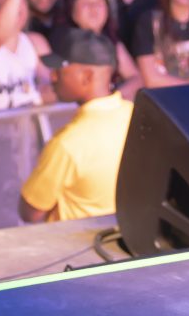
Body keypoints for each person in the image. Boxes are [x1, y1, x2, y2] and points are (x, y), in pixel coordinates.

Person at [16, 34, 130, 223]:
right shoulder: (136, 115)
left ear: (86, 76)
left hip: (78, 246)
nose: (52, 76)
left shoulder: (67, 143)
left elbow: (31, 211)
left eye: (59, 69)